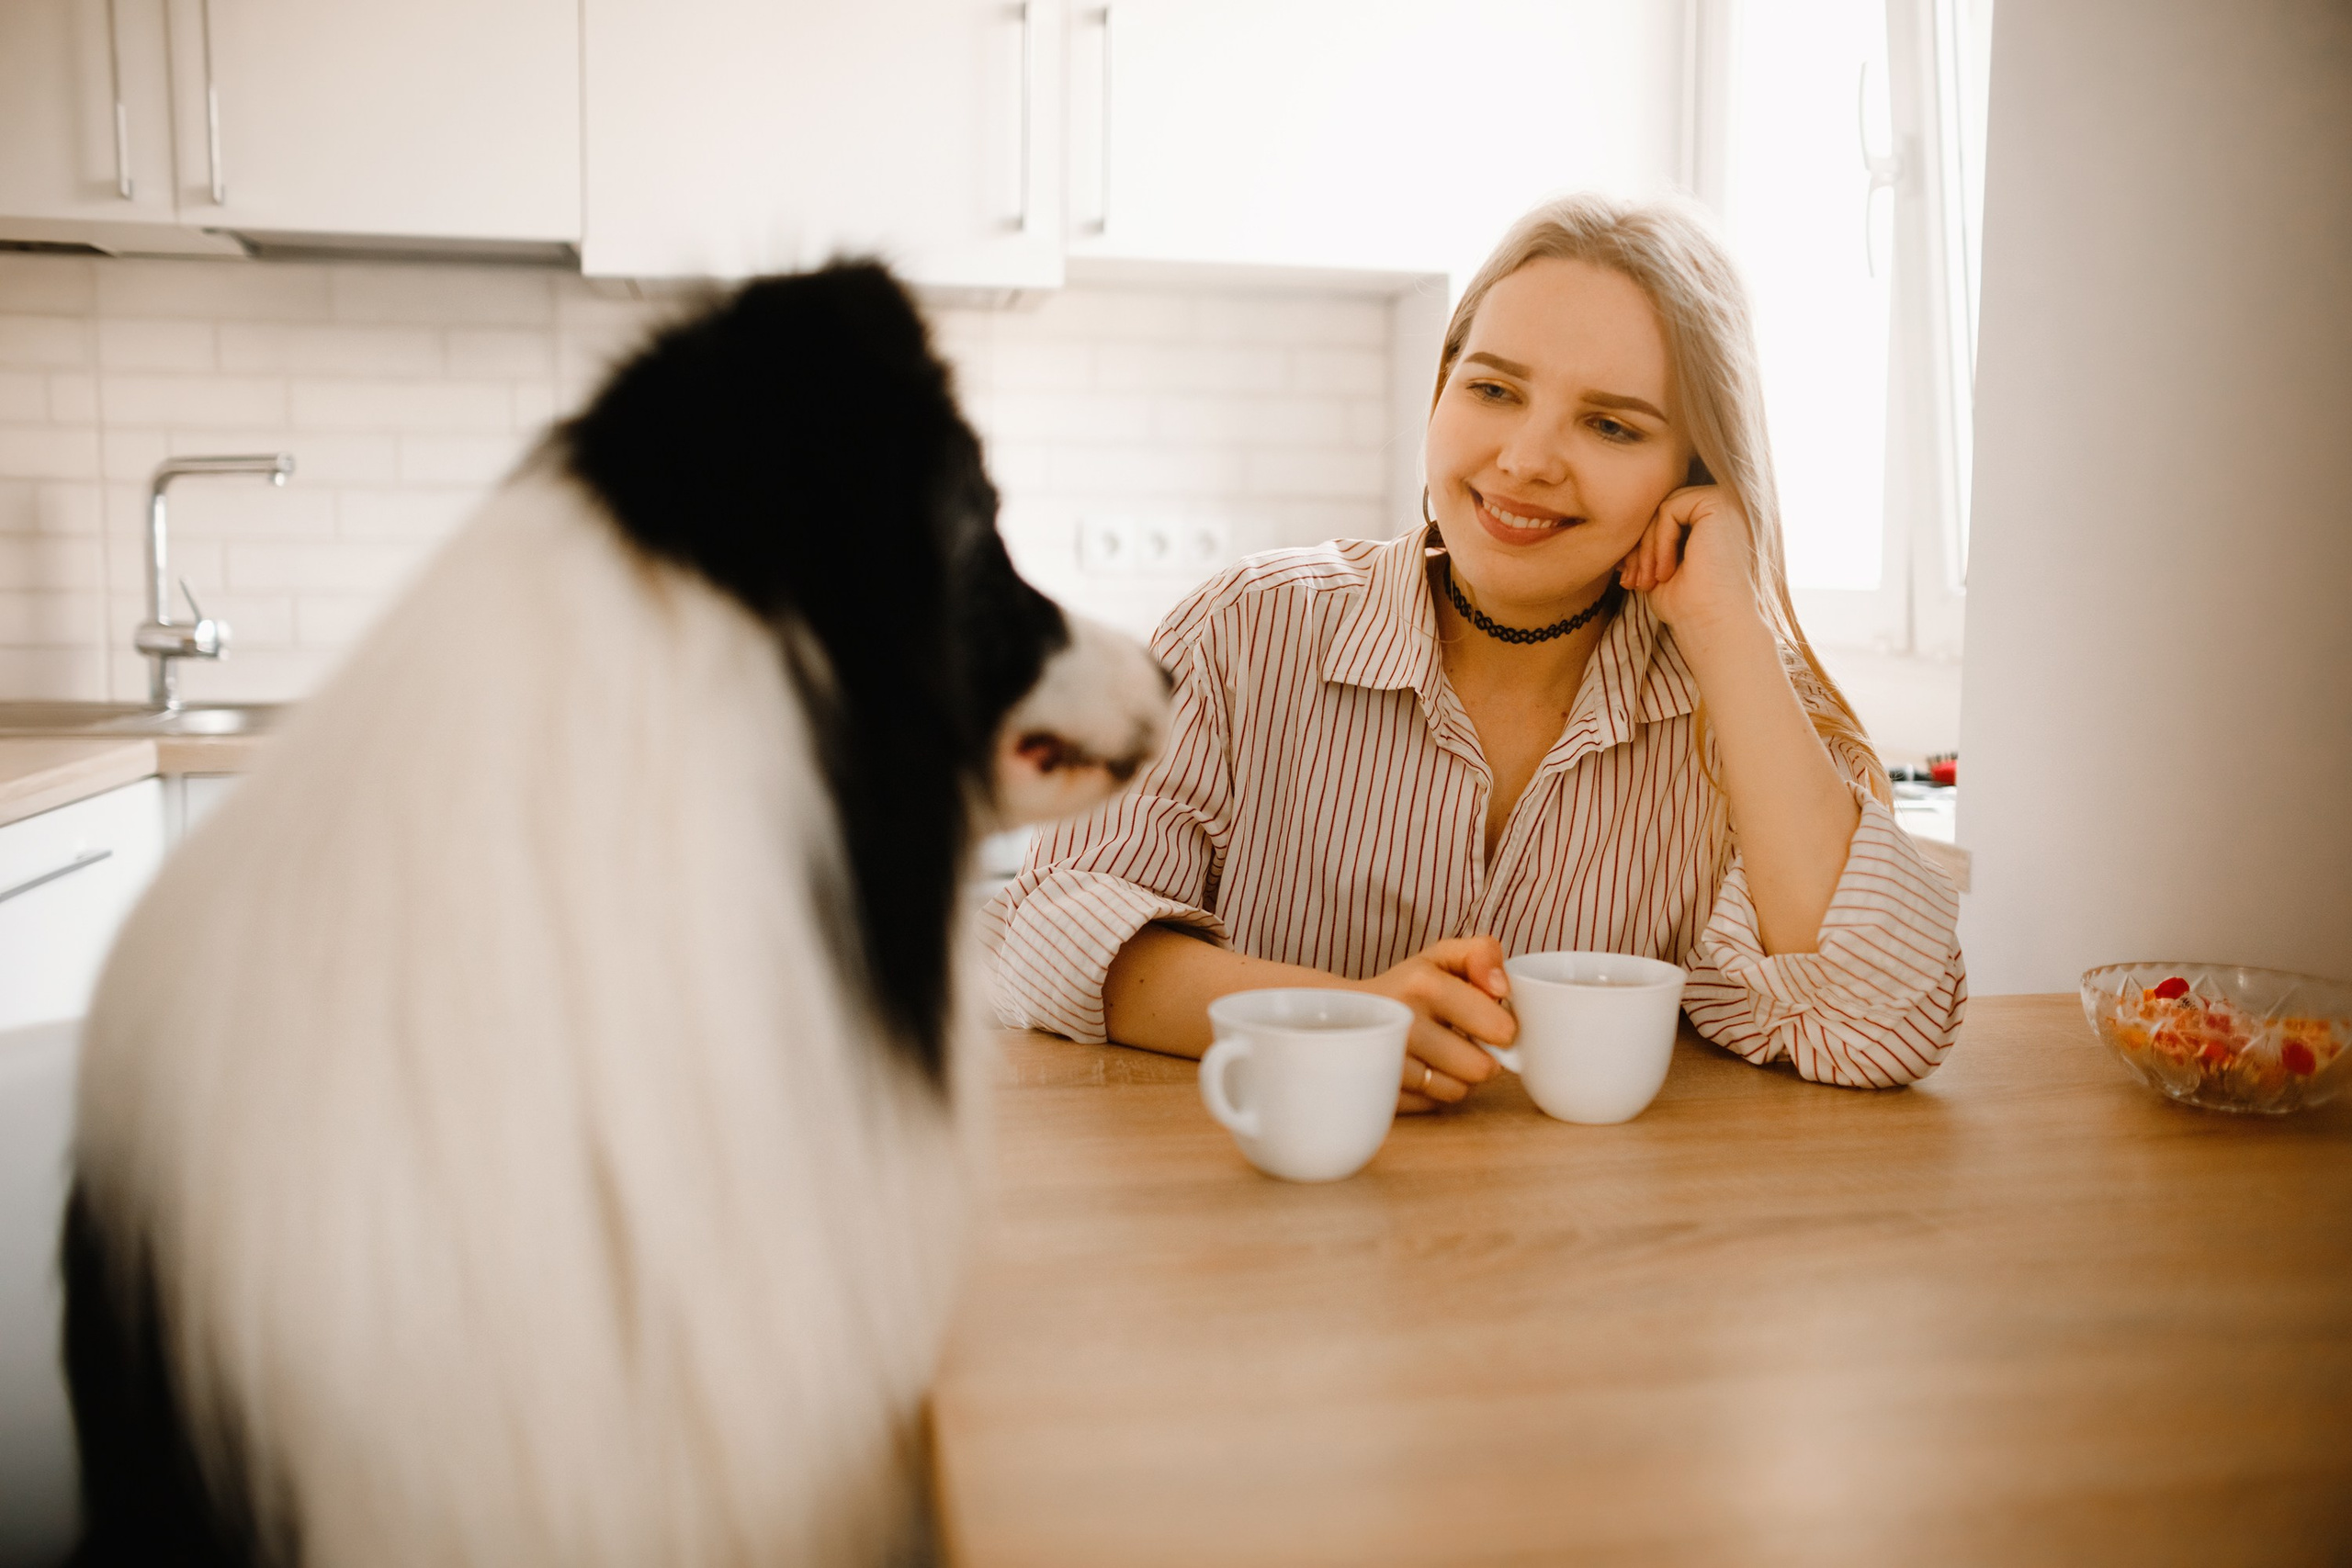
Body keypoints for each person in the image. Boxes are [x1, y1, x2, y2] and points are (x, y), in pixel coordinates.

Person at [980, 195, 1965, 1109]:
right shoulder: (1245, 629)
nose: (1527, 459)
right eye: (1493, 389)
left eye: (1612, 425)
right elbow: (1052, 929)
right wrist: (1342, 1021)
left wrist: (1727, 626)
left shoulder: (1738, 708)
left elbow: (1878, 1025)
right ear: (1439, 393)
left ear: (1693, 476)